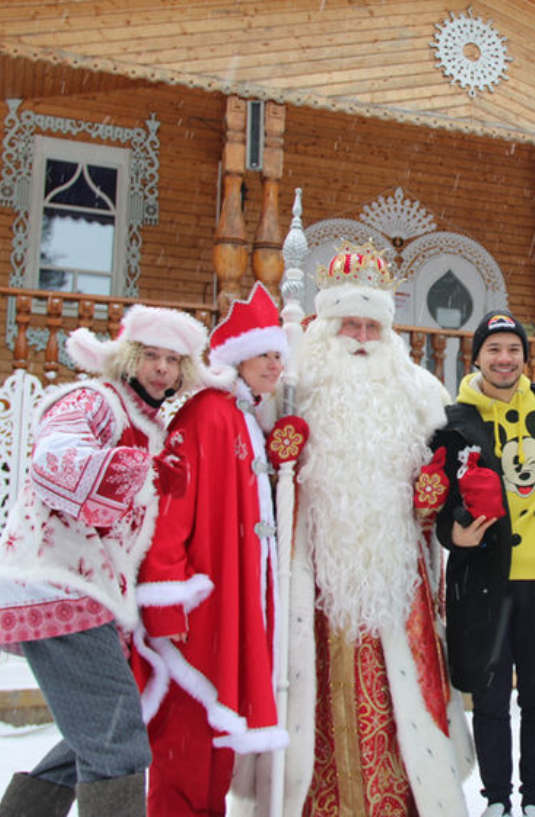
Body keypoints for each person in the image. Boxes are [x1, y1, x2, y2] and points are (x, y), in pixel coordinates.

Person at [280, 249, 472, 817]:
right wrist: (279, 451)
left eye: (371, 325)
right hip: (317, 573)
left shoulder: (419, 391)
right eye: (349, 324)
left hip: (394, 574)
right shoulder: (299, 382)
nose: (361, 337)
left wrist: (431, 497)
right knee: (315, 690)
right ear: (327, 326)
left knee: (401, 694)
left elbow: (443, 472)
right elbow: (269, 470)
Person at [0, 305, 211, 817]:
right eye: (150, 356)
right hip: (58, 586)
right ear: (128, 359)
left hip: (86, 593)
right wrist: (142, 472)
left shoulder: (143, 421)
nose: (161, 369)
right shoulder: (92, 400)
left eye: (172, 360)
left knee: (86, 737)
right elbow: (54, 462)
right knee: (116, 742)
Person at [130, 282, 290, 814]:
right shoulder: (205, 414)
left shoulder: (246, 415)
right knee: (184, 748)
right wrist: (167, 601)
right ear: (239, 358)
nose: (274, 364)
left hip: (230, 612)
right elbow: (169, 513)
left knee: (218, 749)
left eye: (278, 355)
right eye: (264, 354)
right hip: (196, 618)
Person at [431, 310, 535, 817]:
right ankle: (496, 799)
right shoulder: (453, 422)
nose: (504, 358)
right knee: (489, 700)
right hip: (485, 578)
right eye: (494, 349)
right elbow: (437, 498)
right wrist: (452, 532)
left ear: (525, 358)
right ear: (477, 358)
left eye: (513, 349)